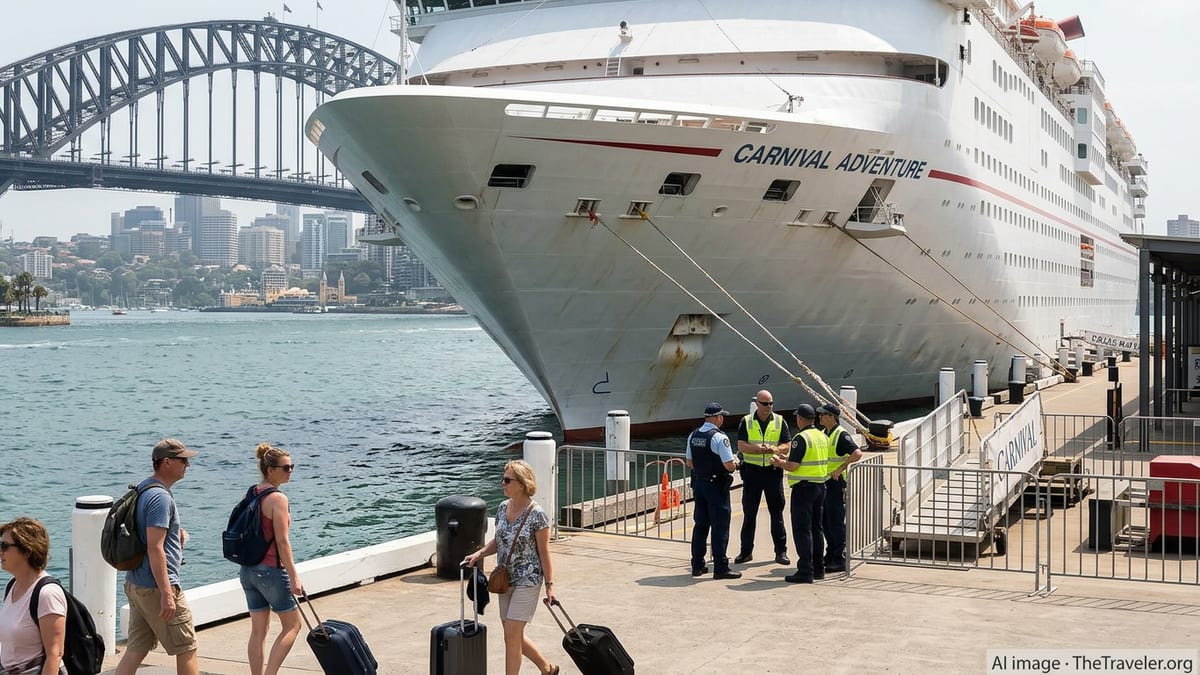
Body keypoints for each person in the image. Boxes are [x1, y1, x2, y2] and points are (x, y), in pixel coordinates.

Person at [463, 460, 559, 675]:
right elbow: (499, 541)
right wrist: (479, 553)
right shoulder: (503, 507)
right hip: (504, 580)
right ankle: (547, 668)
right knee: (511, 635)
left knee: (512, 634)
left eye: (507, 480)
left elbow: (544, 552)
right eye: (503, 479)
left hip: (528, 580)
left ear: (522, 483)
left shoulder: (537, 515)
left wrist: (550, 586)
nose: (502, 483)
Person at [116, 438, 200, 675]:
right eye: (183, 460)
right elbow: (155, 547)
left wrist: (177, 536)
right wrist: (167, 593)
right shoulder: (160, 498)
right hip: (155, 587)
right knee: (187, 648)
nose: (187, 466)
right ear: (166, 462)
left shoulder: (144, 488)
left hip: (136, 583)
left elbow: (147, 536)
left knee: (136, 649)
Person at [242, 443, 303, 675]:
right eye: (286, 467)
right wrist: (294, 576)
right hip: (270, 571)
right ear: (270, 470)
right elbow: (282, 542)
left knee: (258, 631)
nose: (290, 471)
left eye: (291, 466)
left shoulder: (253, 492)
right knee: (293, 625)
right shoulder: (278, 498)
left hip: (248, 571)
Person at [771, 404, 830, 584]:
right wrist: (786, 460)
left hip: (804, 489)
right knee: (816, 529)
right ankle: (818, 568)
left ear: (802, 419)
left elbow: (794, 466)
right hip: (820, 486)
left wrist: (779, 463)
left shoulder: (800, 438)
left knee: (802, 530)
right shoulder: (822, 436)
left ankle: (805, 570)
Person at [0, 517, 67, 674]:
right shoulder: (11, 586)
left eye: (5, 546)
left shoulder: (47, 594)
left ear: (27, 551)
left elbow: (55, 654)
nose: (0, 551)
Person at [734, 390, 791, 566]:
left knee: (777, 513)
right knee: (749, 514)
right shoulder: (747, 421)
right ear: (756, 403)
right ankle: (745, 552)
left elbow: (787, 445)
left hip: (773, 472)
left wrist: (775, 450)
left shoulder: (780, 421)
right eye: (765, 404)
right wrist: (758, 449)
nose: (769, 407)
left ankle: (781, 552)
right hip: (752, 473)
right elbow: (741, 445)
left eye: (771, 403)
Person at [686, 402, 742, 580]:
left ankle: (697, 564)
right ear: (717, 417)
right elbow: (728, 465)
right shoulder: (720, 438)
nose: (723, 419)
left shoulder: (693, 435)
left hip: (699, 485)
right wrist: (736, 463)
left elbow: (689, 462)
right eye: (722, 416)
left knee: (700, 525)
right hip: (716, 487)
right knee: (720, 526)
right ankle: (721, 567)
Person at [819, 404, 864, 574]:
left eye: (822, 414)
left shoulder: (841, 435)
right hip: (825, 482)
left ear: (831, 416)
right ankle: (830, 554)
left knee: (836, 521)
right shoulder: (824, 434)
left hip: (836, 484)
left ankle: (839, 558)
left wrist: (841, 468)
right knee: (825, 521)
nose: (820, 417)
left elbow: (857, 453)